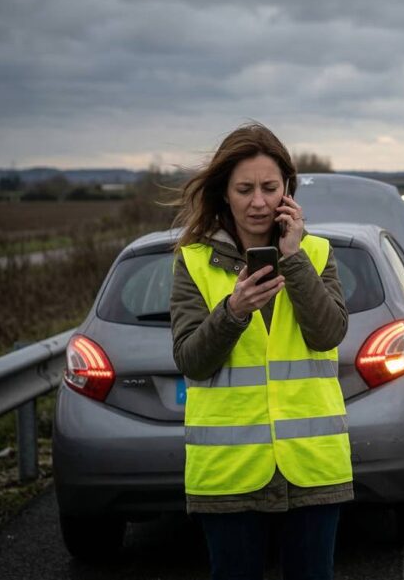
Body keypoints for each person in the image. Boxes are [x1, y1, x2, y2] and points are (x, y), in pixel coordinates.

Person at [169, 123, 351, 580]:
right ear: (224, 194)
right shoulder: (192, 261)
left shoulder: (315, 251)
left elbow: (329, 333)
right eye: (244, 189)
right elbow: (192, 359)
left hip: (312, 467)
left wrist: (293, 258)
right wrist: (233, 310)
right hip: (229, 471)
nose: (258, 201)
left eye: (270, 188)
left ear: (287, 190)